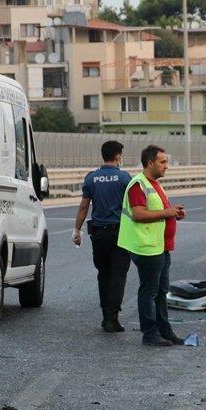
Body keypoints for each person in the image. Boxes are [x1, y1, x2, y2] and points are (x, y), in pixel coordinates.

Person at [118, 145, 187, 347]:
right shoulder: (138, 184)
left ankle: (165, 331)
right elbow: (139, 214)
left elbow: (160, 211)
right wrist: (167, 213)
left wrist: (174, 212)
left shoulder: (155, 183)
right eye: (162, 162)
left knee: (161, 290)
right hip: (146, 247)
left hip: (160, 246)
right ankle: (150, 333)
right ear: (150, 163)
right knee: (149, 291)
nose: (167, 166)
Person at [74, 141, 132, 333]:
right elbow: (134, 208)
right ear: (117, 156)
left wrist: (77, 230)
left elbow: (84, 206)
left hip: (98, 233)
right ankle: (112, 318)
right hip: (120, 233)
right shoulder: (125, 178)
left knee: (103, 274)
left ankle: (105, 315)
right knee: (118, 275)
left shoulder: (92, 178)